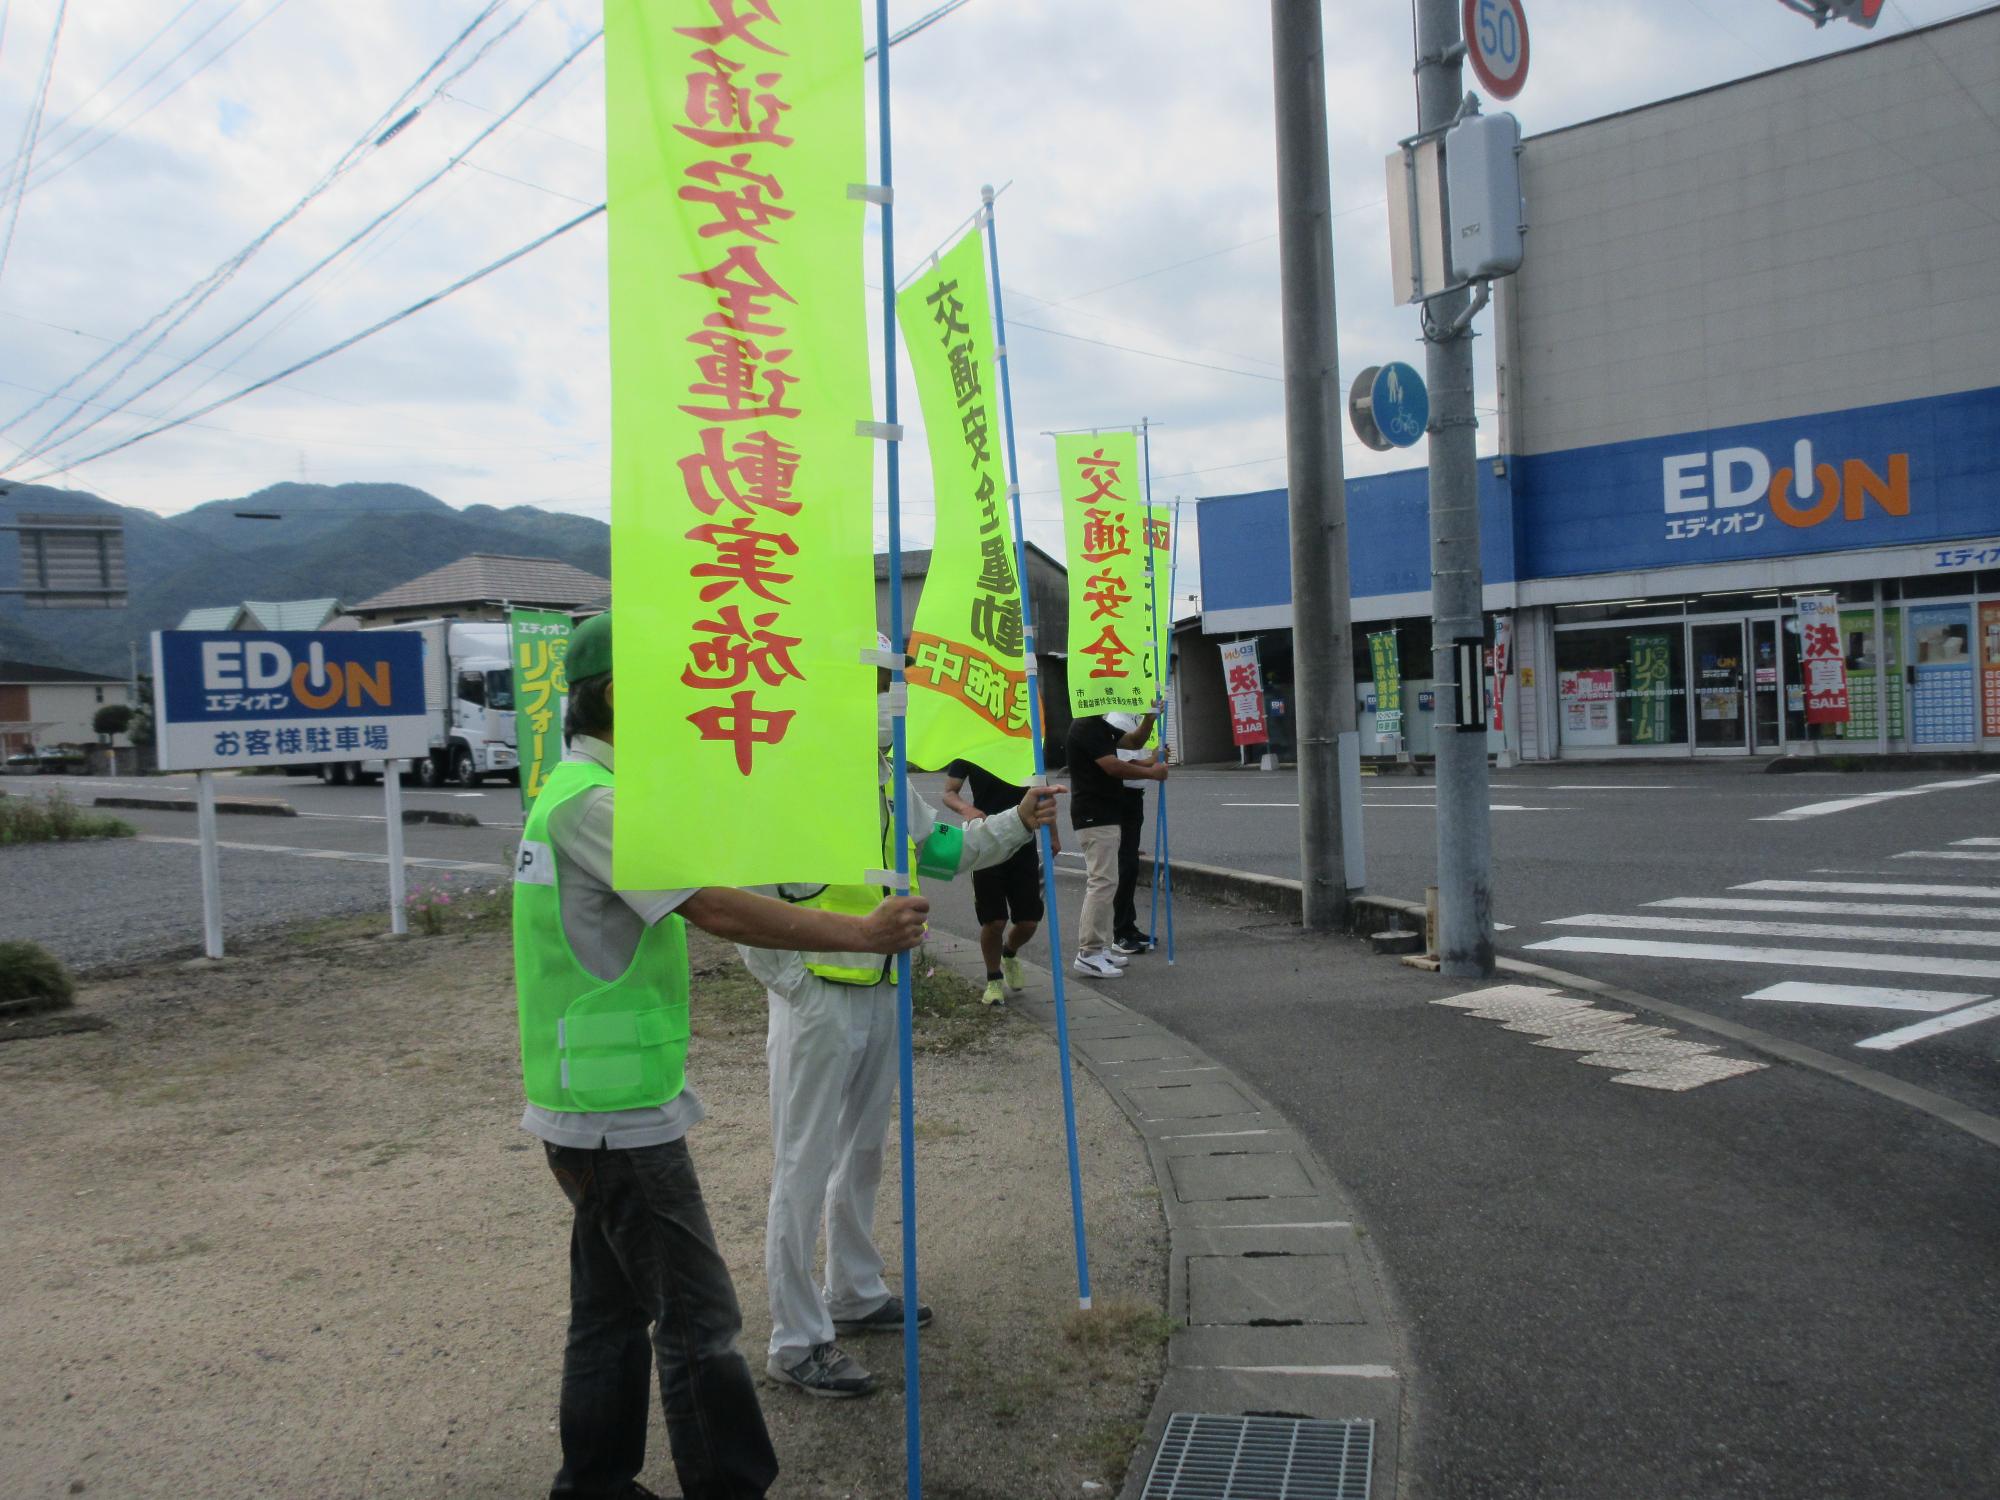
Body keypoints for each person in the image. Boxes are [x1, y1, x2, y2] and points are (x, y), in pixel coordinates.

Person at [514, 611, 931, 1500]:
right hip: (616, 1114)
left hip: (592, 1098)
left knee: (610, 1313)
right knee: (699, 1319)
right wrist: (858, 930)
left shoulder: (576, 791)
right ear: (623, 694)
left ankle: (592, 1482)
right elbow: (717, 907)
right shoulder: (597, 804)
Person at [742, 643, 1064, 1399]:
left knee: (862, 1152)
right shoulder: (788, 774)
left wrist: (1018, 818)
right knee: (802, 1165)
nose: (896, 700)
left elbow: (949, 850)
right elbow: (745, 898)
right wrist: (795, 986)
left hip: (882, 988)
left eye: (894, 685)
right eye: (884, 686)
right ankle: (795, 1339)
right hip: (816, 1001)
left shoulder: (885, 779)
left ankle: (852, 1291)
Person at [941, 756, 1057, 1005]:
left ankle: (1010, 952)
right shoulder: (971, 748)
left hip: (1023, 842)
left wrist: (1053, 835)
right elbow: (949, 792)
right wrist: (968, 810)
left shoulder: (1026, 743)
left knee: (1029, 922)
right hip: (986, 842)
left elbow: (1044, 794)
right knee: (994, 921)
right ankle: (993, 980)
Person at [1064, 708, 1169, 980]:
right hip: (1094, 813)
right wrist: (1153, 771)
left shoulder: (1100, 725)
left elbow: (1133, 742)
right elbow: (1112, 766)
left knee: (1107, 880)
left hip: (1105, 813)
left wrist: (1149, 717)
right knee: (1101, 881)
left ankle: (1098, 948)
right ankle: (1088, 953)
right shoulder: (1086, 726)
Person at [1104, 710, 1163, 956]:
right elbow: (1123, 767)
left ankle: (1129, 925)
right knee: (1124, 866)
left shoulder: (1132, 719)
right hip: (1122, 798)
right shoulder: (1118, 720)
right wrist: (1151, 767)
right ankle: (1121, 931)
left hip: (1132, 798)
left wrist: (1152, 760)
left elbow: (1134, 760)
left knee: (1129, 864)